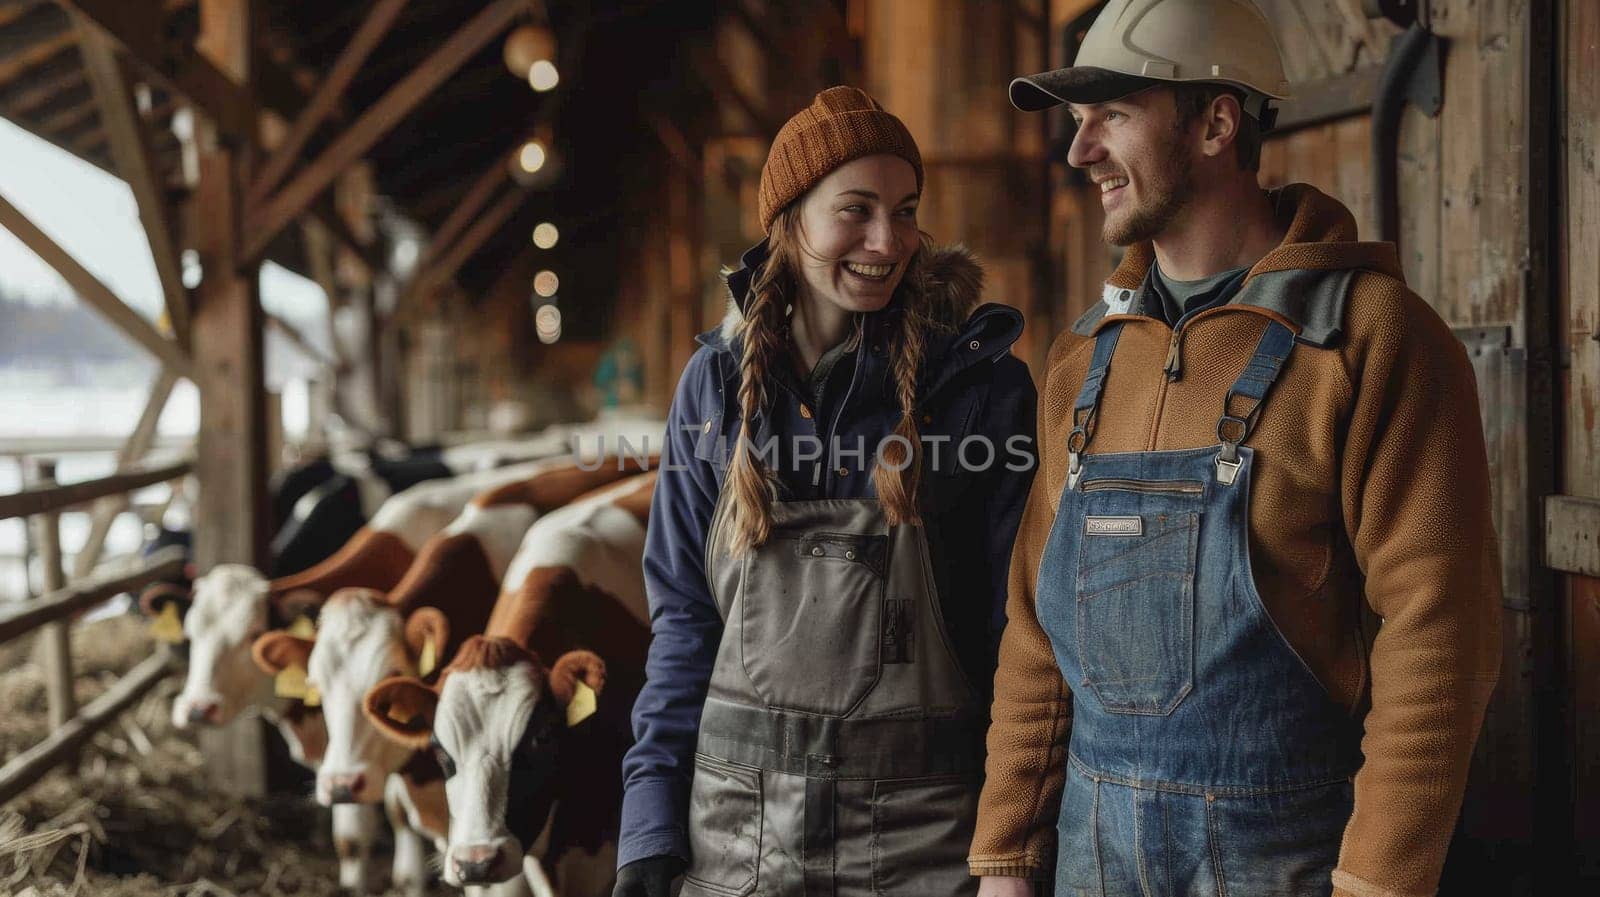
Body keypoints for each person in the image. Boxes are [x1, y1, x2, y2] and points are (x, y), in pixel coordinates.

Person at [967, 2, 1503, 897]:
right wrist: (1007, 855)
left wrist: (1378, 881)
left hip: (1285, 861)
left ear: (1217, 122)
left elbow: (1440, 635)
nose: (1079, 152)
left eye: (1113, 115)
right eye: (1077, 122)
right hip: (1088, 859)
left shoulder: (1371, 339)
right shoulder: (1083, 363)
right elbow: (1036, 634)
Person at [613, 86, 1039, 897]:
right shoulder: (713, 386)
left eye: (906, 210)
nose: (889, 239)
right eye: (856, 209)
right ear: (791, 218)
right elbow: (682, 625)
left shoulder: (976, 390)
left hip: (928, 854)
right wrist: (648, 832)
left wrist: (1011, 851)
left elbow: (1020, 637)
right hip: (737, 852)